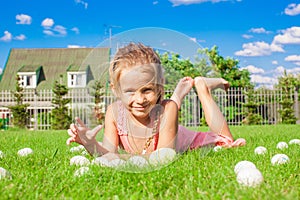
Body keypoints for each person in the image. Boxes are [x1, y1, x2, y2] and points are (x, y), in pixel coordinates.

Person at [66, 43, 245, 159]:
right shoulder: (114, 113)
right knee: (166, 106)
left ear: (159, 87)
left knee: (226, 140)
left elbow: (163, 156)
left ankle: (202, 87)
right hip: (164, 115)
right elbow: (108, 155)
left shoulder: (168, 109)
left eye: (147, 90)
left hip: (184, 138)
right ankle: (178, 94)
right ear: (116, 90)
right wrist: (91, 144)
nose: (139, 99)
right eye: (130, 91)